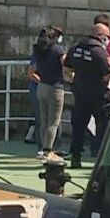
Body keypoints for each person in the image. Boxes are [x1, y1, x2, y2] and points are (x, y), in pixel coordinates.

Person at [64, 23, 110, 169]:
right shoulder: (100, 52)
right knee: (102, 127)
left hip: (80, 93)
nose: (108, 40)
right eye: (107, 37)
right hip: (98, 94)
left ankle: (76, 157)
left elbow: (67, 67)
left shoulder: (76, 48)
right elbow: (108, 72)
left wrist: (74, 78)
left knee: (78, 126)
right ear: (101, 36)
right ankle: (98, 159)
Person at [27, 25, 67, 163]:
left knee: (43, 121)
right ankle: (48, 150)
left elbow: (32, 70)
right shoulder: (58, 50)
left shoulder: (38, 50)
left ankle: (42, 149)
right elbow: (66, 66)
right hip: (55, 88)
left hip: (41, 87)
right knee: (54, 122)